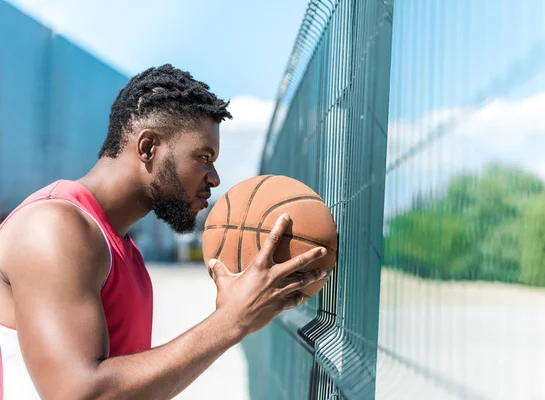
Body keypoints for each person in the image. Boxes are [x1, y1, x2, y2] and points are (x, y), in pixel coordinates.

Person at [0, 65, 329, 399]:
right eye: (204, 156)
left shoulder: (123, 251)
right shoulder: (52, 226)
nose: (214, 178)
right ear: (148, 148)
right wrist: (230, 321)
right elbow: (80, 394)